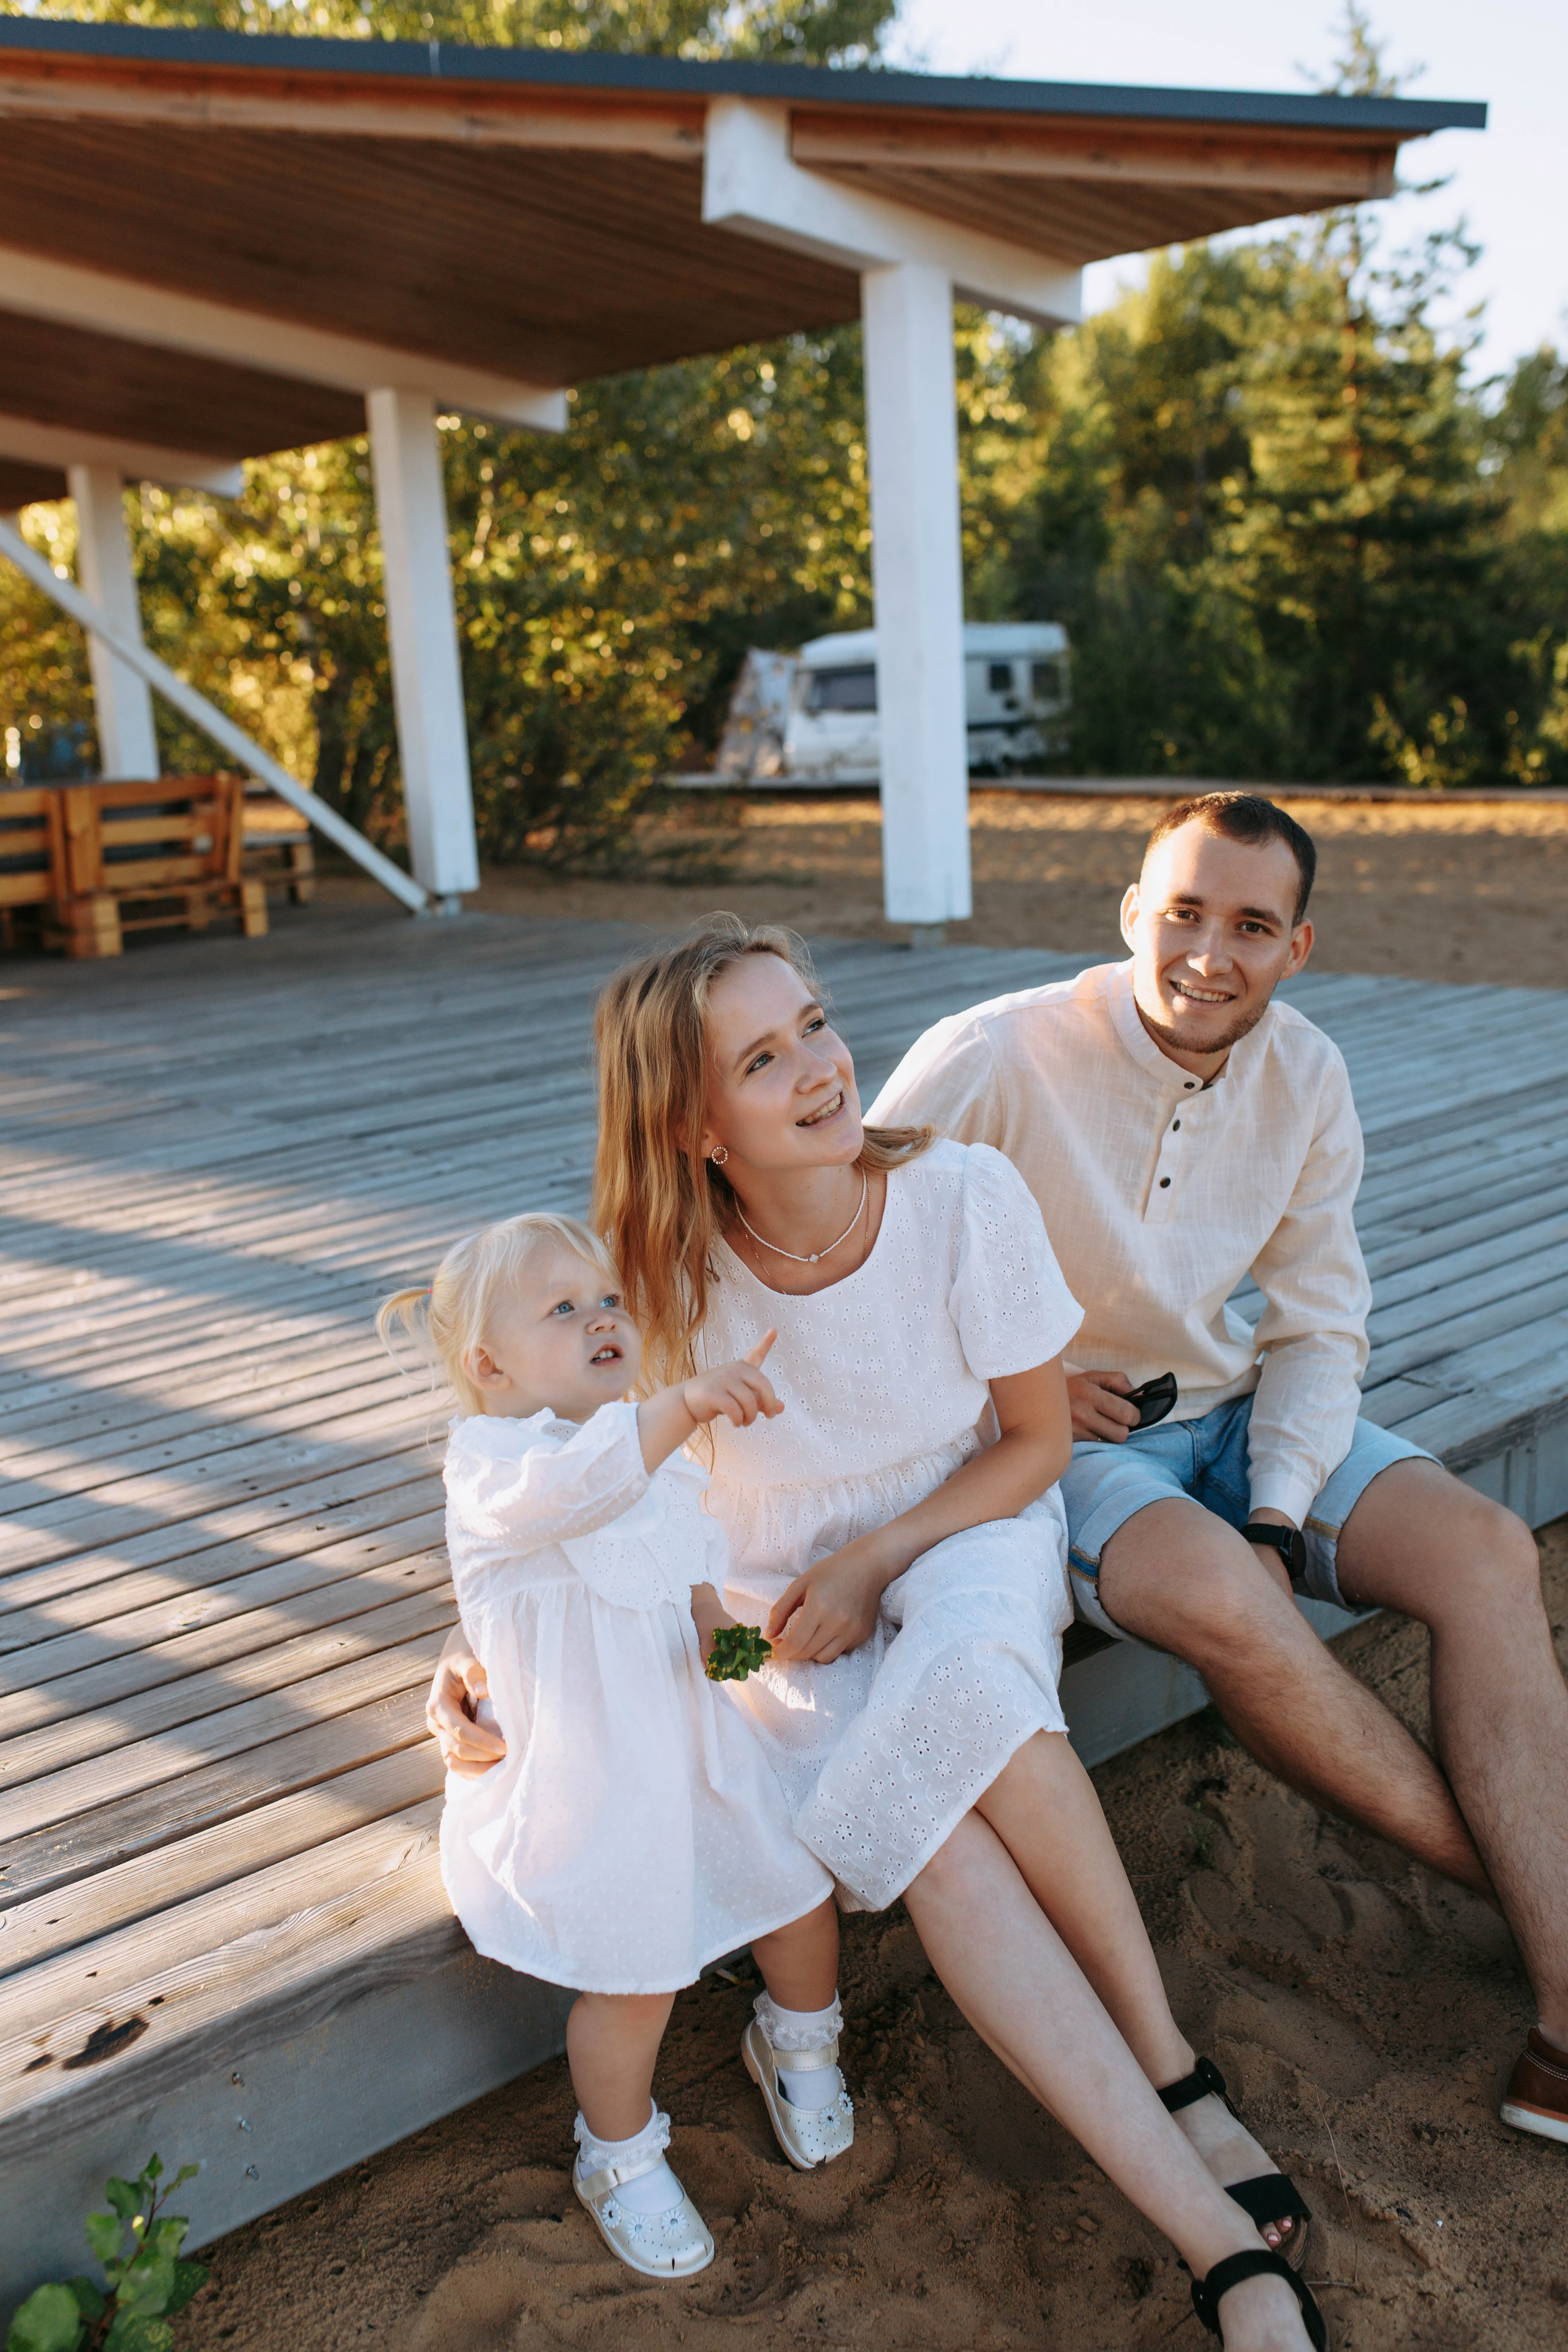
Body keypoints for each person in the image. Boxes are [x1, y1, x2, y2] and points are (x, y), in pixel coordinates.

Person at [431, 922, 1329, 2352]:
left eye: (816, 1025)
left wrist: (875, 1557)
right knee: (939, 1841)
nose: (819, 1068)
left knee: (979, 1687)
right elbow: (551, 1494)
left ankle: (1171, 2070)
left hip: (965, 1532)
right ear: (691, 1121)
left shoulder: (963, 1197)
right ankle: (1214, 2239)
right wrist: (481, 1670)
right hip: (773, 1618)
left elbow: (1034, 1443)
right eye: (762, 1057)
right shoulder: (651, 1284)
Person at [869, 790, 1568, 2146]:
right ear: (1130, 912)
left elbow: (1319, 1324)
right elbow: (842, 1239)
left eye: (1250, 925)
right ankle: (1553, 1917)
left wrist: (1273, 1505)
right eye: (1182, 912)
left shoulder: (1305, 1072)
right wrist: (999, 1380)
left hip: (1231, 1410)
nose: (1208, 953)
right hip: (1057, 1440)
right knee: (1229, 1601)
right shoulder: (991, 1054)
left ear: (1294, 947)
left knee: (1486, 1550)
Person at [379, 1210, 852, 2283]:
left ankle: (800, 2039)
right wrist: (684, 1404)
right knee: (633, 1978)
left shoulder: (659, 1463)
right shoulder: (495, 1469)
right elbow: (582, 1488)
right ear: (487, 1366)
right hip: (591, 1782)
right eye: (563, 1308)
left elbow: (697, 1611)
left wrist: (758, 1656)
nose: (602, 1317)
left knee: (797, 1896)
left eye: (608, 1302)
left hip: (691, 1750)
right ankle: (621, 2151)